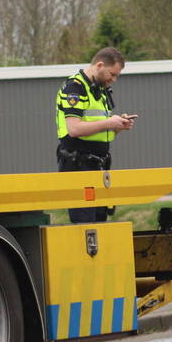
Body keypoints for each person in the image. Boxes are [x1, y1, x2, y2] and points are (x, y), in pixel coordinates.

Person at [56, 47, 135, 223]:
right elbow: (74, 129)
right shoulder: (75, 88)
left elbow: (98, 132)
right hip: (78, 165)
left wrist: (117, 127)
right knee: (86, 225)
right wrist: (110, 123)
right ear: (99, 65)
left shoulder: (98, 89)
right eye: (112, 74)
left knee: (99, 223)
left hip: (97, 165)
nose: (113, 80)